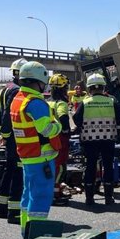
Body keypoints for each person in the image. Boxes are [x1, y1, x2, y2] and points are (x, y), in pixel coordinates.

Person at [9, 62, 62, 239]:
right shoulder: (35, 103)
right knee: (40, 198)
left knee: (27, 197)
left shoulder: (18, 99)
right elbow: (46, 130)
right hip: (41, 158)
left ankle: (26, 233)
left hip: (27, 156)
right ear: (39, 81)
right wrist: (58, 126)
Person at [73, 73, 120, 206]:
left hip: (89, 141)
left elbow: (76, 119)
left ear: (89, 89)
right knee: (108, 167)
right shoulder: (111, 101)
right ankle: (108, 197)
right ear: (103, 88)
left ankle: (89, 198)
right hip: (108, 139)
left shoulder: (85, 102)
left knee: (90, 167)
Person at [0, 58, 28, 221]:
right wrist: (7, 135)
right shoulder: (17, 91)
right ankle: (13, 212)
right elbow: (8, 114)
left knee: (8, 172)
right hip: (16, 139)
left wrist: (0, 133)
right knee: (17, 174)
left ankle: (1, 208)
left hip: (9, 138)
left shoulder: (5, 89)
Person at [48, 74, 72, 205]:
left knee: (51, 165)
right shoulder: (61, 103)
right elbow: (63, 118)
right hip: (60, 139)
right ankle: (55, 194)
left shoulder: (47, 102)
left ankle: (51, 191)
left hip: (48, 137)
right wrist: (67, 131)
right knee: (60, 166)